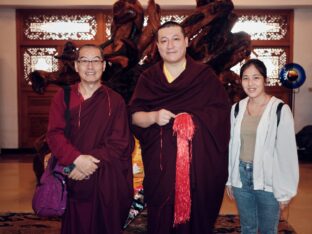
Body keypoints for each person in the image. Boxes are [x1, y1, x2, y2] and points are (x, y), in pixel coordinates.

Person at [129, 21, 231, 234]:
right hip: (161, 165)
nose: (170, 45)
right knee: (162, 214)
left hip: (199, 165)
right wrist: (153, 116)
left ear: (186, 42)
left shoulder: (204, 77)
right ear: (157, 46)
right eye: (163, 41)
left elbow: (221, 115)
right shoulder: (149, 78)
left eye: (176, 39)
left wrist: (192, 120)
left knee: (197, 213)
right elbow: (134, 117)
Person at [46, 44, 134, 234]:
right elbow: (54, 134)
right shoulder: (64, 96)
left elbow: (120, 142)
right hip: (73, 171)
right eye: (84, 61)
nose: (90, 66)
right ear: (76, 66)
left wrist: (88, 164)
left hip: (105, 175)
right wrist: (76, 160)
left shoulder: (115, 100)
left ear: (104, 66)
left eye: (96, 61)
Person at [226, 59, 299, 233]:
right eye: (245, 78)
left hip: (269, 180)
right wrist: (230, 179)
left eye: (256, 78)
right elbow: (232, 147)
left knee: (267, 230)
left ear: (264, 80)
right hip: (241, 179)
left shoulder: (280, 110)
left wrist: (285, 191)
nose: (250, 83)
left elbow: (287, 154)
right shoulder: (236, 109)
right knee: (248, 228)